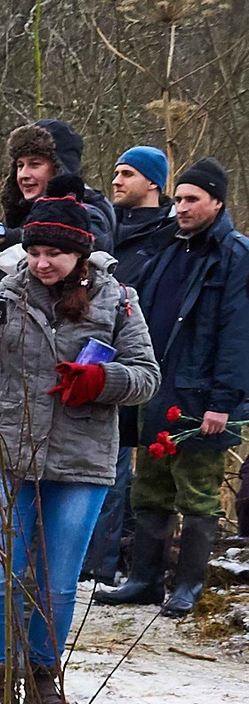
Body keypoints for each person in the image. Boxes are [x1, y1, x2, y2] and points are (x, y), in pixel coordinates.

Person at [0, 192, 158, 704]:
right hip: (8, 454)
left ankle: (46, 680)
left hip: (83, 459)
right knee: (2, 576)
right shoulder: (6, 292)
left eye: (54, 254)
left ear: (80, 253)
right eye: (34, 252)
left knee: (56, 581)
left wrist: (103, 380)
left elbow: (146, 377)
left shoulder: (118, 301)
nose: (42, 263)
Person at [100, 158, 247, 618]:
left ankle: (188, 585)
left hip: (202, 398)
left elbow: (238, 335)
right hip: (157, 389)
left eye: (191, 200)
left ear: (217, 202)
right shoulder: (168, 245)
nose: (180, 207)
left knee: (198, 493)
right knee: (150, 489)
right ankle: (144, 579)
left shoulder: (235, 255)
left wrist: (223, 402)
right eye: (178, 198)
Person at [85, 147, 183, 583]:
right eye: (116, 171)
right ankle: (100, 558)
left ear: (154, 183)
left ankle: (104, 565)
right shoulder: (105, 226)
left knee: (120, 464)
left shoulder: (169, 236)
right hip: (95, 356)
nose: (117, 180)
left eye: (127, 173)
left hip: (141, 362)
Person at [0, 120, 116, 257]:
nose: (23, 175)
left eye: (35, 164)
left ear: (59, 169)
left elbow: (66, 264)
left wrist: (2, 237)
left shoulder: (89, 215)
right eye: (20, 166)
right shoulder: (26, 214)